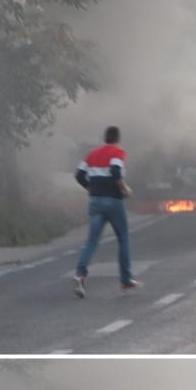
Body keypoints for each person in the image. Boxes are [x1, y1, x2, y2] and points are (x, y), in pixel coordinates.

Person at [73, 126, 141, 297]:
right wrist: (124, 188)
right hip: (113, 201)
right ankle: (125, 280)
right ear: (117, 138)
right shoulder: (118, 152)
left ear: (104, 138)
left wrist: (89, 187)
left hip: (95, 201)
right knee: (123, 239)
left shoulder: (92, 154)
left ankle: (80, 274)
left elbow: (79, 174)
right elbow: (116, 171)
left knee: (92, 241)